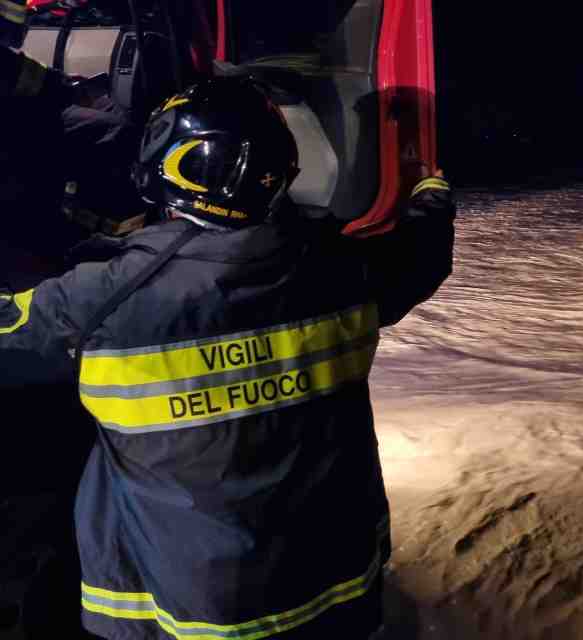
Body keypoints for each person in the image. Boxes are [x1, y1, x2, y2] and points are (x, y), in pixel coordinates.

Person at [0, 75, 456, 639]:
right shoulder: (347, 272)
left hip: (183, 614)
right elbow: (423, 252)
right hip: (336, 594)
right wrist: (430, 192)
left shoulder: (98, 299)